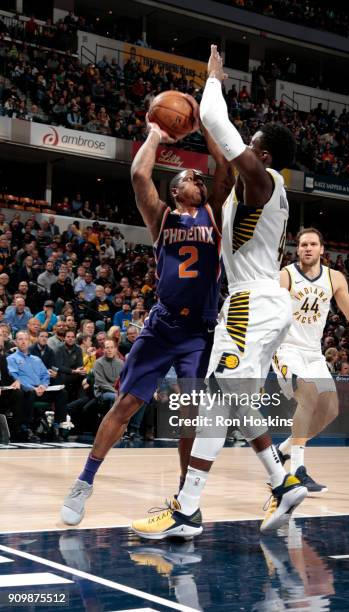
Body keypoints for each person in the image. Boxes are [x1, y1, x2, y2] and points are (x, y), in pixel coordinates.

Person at [131, 45, 303, 540]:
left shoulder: (262, 180)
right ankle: (282, 479)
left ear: (264, 155)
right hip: (263, 303)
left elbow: (213, 116)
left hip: (251, 300)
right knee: (230, 399)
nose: (243, 148)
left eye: (251, 144)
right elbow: (218, 146)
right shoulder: (256, 191)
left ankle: (187, 510)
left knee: (213, 397)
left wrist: (212, 80)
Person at [61, 90, 234, 526]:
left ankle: (184, 499)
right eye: (187, 178)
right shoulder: (161, 217)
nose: (195, 179)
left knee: (188, 416)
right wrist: (155, 134)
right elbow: (140, 175)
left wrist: (205, 129)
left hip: (200, 331)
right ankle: (84, 480)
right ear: (175, 189)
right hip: (161, 329)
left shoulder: (213, 213)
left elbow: (226, 169)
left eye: (198, 178)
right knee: (125, 405)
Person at [273, 228, 349, 490]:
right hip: (286, 349)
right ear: (298, 249)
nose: (307, 248)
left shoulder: (335, 278)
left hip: (313, 352)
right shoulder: (285, 275)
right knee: (307, 395)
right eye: (303, 244)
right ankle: (296, 472)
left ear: (321, 249)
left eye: (313, 244)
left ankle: (281, 451)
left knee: (330, 410)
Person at [7, 331, 68, 439]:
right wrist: (33, 388)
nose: (23, 342)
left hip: (41, 389)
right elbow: (15, 377)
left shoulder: (36, 359)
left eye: (25, 339)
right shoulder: (11, 358)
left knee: (62, 393)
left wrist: (43, 386)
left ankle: (57, 425)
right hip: (26, 390)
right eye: (20, 339)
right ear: (16, 342)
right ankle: (27, 427)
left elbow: (45, 375)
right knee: (29, 393)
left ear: (29, 342)